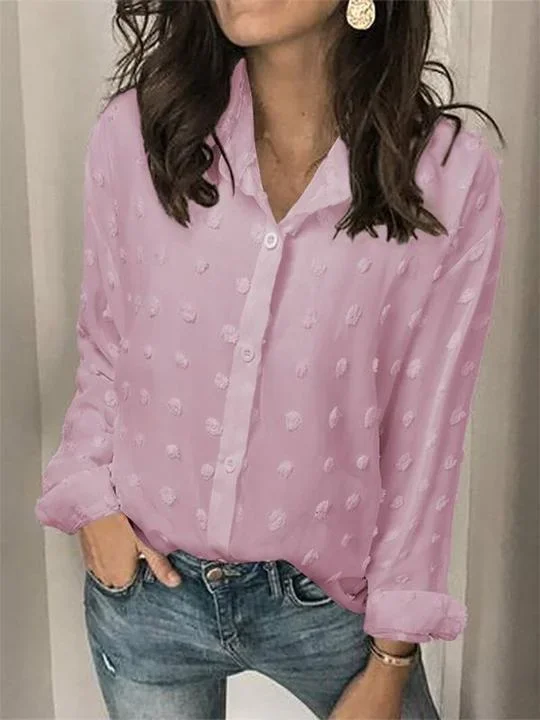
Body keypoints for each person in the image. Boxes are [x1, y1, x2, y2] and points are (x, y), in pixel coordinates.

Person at [34, 0, 506, 718]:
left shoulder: (448, 176)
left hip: (331, 609)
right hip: (148, 595)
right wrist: (91, 503)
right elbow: (106, 343)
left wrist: (392, 656)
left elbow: (427, 434)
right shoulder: (137, 134)